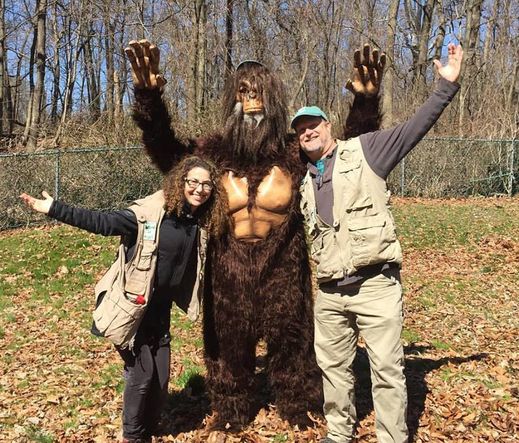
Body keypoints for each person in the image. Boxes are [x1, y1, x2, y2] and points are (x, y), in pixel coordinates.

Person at [292, 43, 463, 443]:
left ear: (329, 127)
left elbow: (412, 130)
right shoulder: (305, 181)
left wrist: (445, 88)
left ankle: (392, 437)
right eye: (301, 130)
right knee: (333, 370)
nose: (308, 132)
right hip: (331, 293)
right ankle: (338, 433)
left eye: (314, 124)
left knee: (387, 370)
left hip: (375, 286)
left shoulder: (366, 151)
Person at [20, 155, 227, 443]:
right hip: (131, 309)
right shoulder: (148, 214)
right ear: (180, 182)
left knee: (161, 380)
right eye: (193, 181)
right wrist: (54, 208)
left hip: (160, 312)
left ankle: (149, 427)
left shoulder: (199, 222)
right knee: (141, 376)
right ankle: (132, 436)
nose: (199, 189)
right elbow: (102, 223)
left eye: (206, 184)